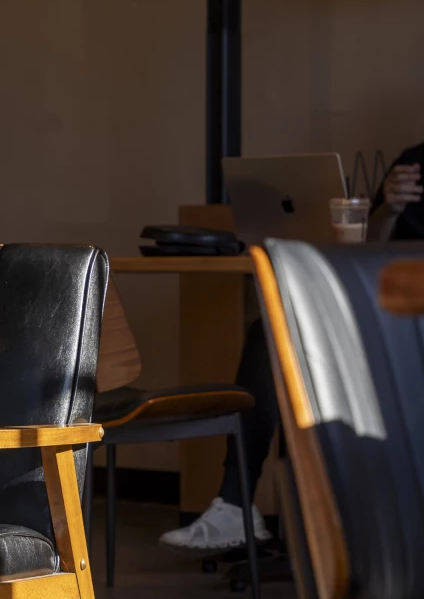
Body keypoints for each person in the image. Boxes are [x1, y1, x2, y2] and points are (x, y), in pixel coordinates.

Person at [160, 142, 424, 555]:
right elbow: (364, 245)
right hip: (378, 312)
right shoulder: (415, 162)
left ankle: (337, 531)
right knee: (273, 327)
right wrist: (389, 209)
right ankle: (236, 503)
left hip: (411, 322)